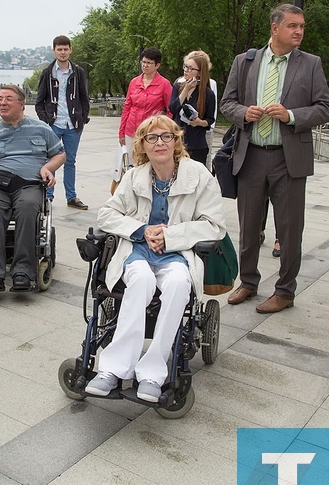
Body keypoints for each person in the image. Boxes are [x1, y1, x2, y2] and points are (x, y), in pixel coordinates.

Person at [85, 115, 225, 402]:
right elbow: (107, 214)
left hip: (177, 254)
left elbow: (214, 225)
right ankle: (112, 369)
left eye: (165, 136)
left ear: (176, 142)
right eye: (151, 138)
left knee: (177, 283)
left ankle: (152, 372)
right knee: (141, 280)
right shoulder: (134, 176)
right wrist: (140, 229)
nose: (159, 142)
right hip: (137, 252)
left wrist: (171, 235)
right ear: (142, 146)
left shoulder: (199, 176)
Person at [220, 3, 329, 313]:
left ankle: (285, 290)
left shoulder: (310, 64)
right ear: (275, 29)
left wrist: (292, 115)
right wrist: (244, 112)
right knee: (249, 226)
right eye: (292, 26)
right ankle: (247, 281)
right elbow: (227, 103)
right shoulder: (245, 62)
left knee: (289, 229)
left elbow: (325, 107)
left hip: (289, 160)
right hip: (251, 156)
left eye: (301, 26)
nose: (298, 31)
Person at [0, 84, 65, 292]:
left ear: (22, 104)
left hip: (29, 185)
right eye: (0, 99)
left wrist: (48, 167)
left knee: (28, 208)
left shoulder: (41, 129)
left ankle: (22, 272)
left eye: (8, 98)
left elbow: (60, 154)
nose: (2, 102)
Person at [35, 35, 90, 210]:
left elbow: (84, 97)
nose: (63, 52)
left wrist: (82, 117)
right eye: (59, 49)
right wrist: (45, 120)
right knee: (51, 161)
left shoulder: (78, 72)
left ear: (70, 50)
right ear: (54, 51)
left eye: (66, 49)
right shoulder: (47, 73)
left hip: (73, 124)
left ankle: (71, 197)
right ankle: (48, 197)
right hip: (54, 124)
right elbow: (39, 101)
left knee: (70, 161)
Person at [119, 47, 171, 166]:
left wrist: (164, 130)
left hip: (151, 132)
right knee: (132, 165)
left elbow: (170, 110)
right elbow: (127, 108)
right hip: (131, 130)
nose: (145, 65)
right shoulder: (134, 82)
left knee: (149, 164)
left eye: (149, 63)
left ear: (157, 65)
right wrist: (121, 132)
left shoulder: (164, 84)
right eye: (143, 62)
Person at [170, 50, 217, 165]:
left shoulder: (208, 94)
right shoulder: (178, 86)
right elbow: (173, 108)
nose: (186, 70)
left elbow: (210, 119)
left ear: (200, 73)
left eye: (191, 68)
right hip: (178, 141)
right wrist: (186, 89)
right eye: (185, 67)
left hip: (197, 143)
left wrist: (200, 122)